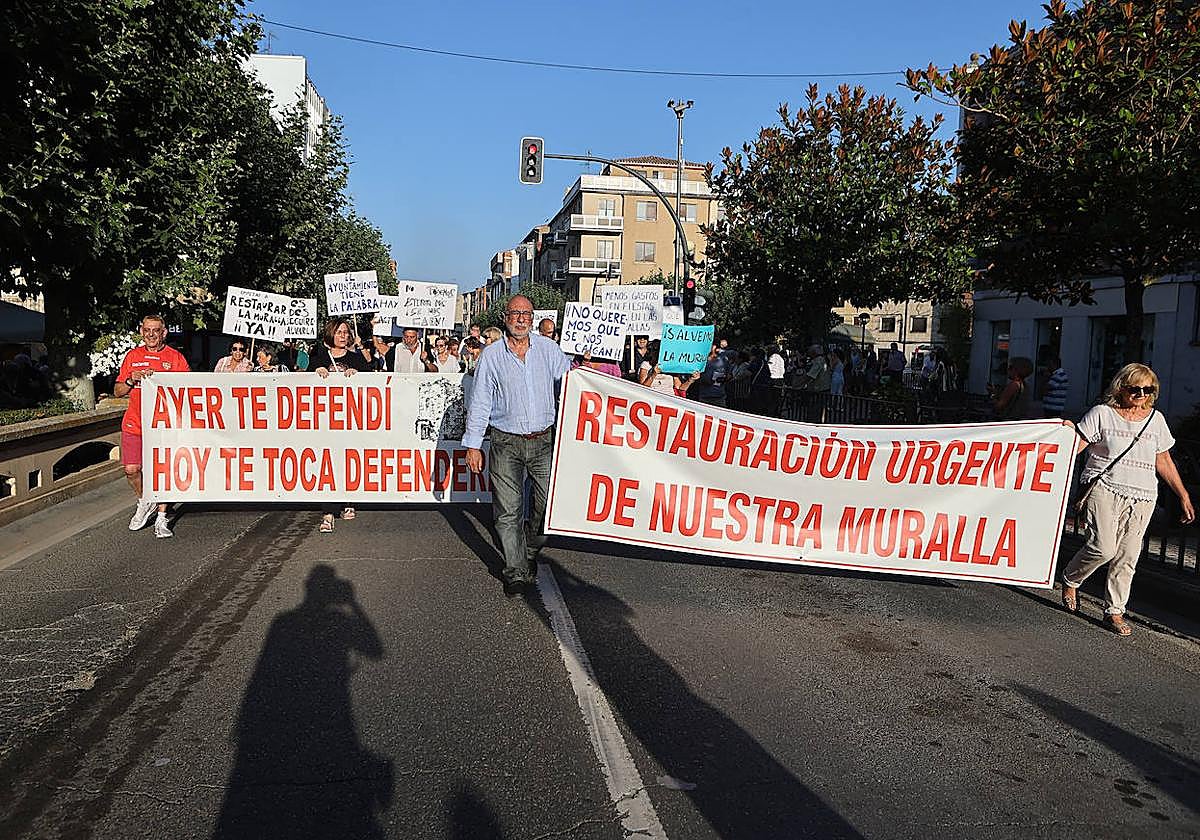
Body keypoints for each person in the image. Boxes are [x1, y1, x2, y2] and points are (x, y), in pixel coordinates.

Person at [1061, 363, 1194, 635]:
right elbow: (1076, 447)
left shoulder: (1155, 420)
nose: (1141, 395)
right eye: (1135, 389)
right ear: (1121, 387)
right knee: (1103, 548)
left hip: (1143, 495)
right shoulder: (1102, 414)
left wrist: (1183, 495)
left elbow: (1164, 460)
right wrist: (1062, 434)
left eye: (1148, 390)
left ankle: (1115, 611)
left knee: (1127, 556)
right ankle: (1071, 578)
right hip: (1104, 488)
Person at [464, 295, 571, 597]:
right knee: (508, 510)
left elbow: (570, 383)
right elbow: (481, 400)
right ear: (506, 317)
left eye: (526, 313)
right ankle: (515, 571)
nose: (521, 318)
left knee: (547, 506)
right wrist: (473, 444)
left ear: (533, 318)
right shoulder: (492, 355)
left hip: (544, 442)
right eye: (515, 313)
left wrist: (586, 370)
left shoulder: (549, 350)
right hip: (505, 442)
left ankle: (530, 548)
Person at [114, 315, 191, 539]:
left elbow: (187, 391)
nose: (151, 335)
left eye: (155, 330)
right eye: (147, 330)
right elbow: (117, 391)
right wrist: (130, 379)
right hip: (135, 423)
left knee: (162, 472)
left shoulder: (175, 358)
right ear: (141, 331)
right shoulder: (133, 356)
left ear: (164, 332)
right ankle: (145, 500)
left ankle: (162, 518)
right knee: (131, 469)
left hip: (162, 426)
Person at [307, 318, 371, 532]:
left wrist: (358, 377)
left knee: (348, 461)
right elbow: (303, 387)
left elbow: (372, 386)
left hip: (350, 423)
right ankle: (328, 512)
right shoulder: (318, 359)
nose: (343, 336)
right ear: (331, 335)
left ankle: (349, 500)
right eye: (339, 332)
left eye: (346, 332)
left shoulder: (357, 359)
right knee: (328, 464)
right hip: (325, 424)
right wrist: (315, 375)